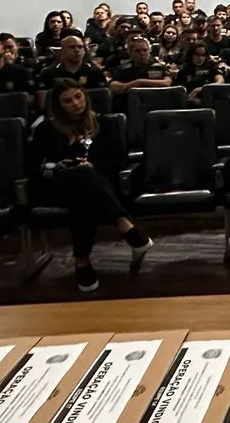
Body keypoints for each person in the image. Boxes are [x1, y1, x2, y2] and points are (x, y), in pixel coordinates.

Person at [30, 80, 151, 293]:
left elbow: (118, 160)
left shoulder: (106, 124)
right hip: (56, 185)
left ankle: (82, 260)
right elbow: (33, 164)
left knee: (84, 190)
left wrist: (92, 166)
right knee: (81, 178)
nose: (75, 104)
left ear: (85, 96)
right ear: (58, 106)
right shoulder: (47, 129)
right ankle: (123, 223)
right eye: (67, 101)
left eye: (78, 97)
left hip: (97, 184)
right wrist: (60, 164)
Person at [37, 33, 108, 109]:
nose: (77, 50)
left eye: (80, 47)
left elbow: (103, 99)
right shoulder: (48, 73)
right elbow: (43, 102)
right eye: (72, 47)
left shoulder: (95, 72)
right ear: (62, 51)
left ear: (84, 51)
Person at [109, 34, 176, 92]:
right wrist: (130, 85)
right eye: (137, 51)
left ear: (149, 51)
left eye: (144, 50)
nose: (142, 53)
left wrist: (139, 82)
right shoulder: (123, 68)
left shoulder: (158, 66)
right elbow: (113, 85)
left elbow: (167, 82)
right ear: (130, 53)